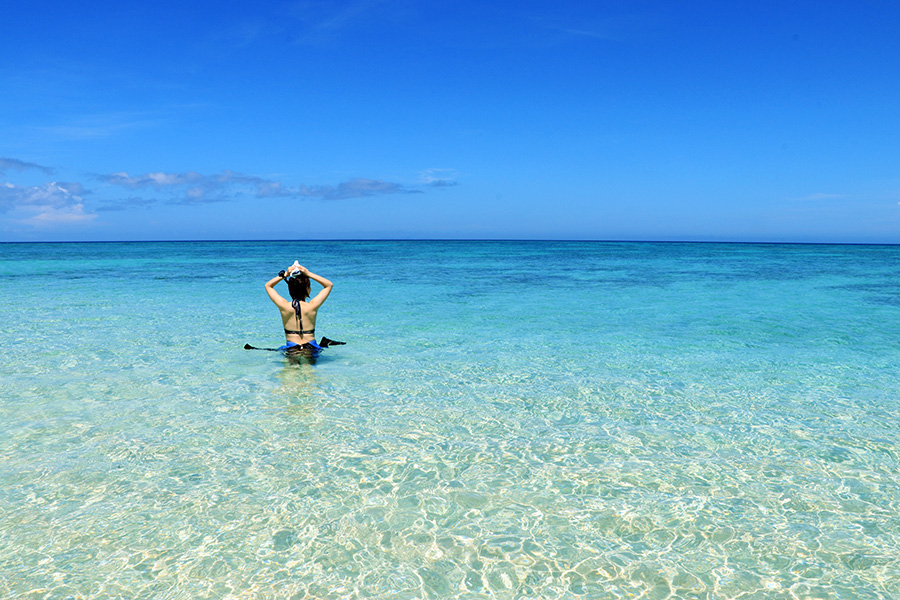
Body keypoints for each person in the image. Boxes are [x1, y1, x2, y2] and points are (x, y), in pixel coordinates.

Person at [265, 262, 333, 359]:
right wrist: (308, 273)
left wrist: (286, 274)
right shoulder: (312, 306)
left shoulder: (284, 306)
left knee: (290, 371)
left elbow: (268, 286)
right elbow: (328, 285)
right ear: (308, 289)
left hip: (291, 348)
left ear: (290, 289)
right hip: (311, 347)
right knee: (309, 372)